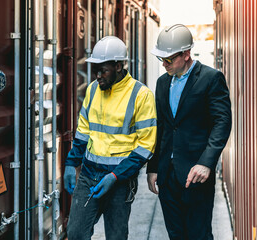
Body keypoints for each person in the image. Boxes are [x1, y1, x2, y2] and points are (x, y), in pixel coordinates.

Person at [63, 36, 157, 240]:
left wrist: (115, 176)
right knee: (76, 233)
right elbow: (83, 131)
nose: (97, 76)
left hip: (120, 180)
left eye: (103, 70)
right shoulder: (93, 89)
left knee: (116, 236)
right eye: (95, 70)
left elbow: (145, 146)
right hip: (89, 175)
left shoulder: (141, 95)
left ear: (118, 66)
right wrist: (71, 163)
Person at [146, 24, 232, 240]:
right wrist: (153, 167)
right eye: (161, 59)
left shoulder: (210, 78)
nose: (164, 64)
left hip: (196, 173)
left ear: (186, 54)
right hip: (168, 175)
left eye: (168, 59)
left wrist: (206, 162)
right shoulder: (162, 83)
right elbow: (163, 127)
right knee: (176, 234)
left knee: (198, 234)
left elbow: (222, 123)